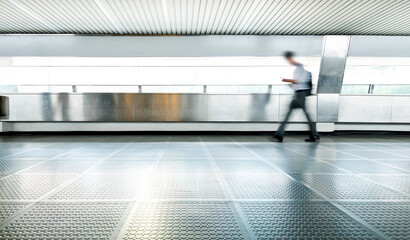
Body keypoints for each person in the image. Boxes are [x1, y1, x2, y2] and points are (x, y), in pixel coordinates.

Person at [269, 51, 320, 142]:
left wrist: (285, 80)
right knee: (291, 114)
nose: (289, 61)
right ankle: (279, 134)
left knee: (298, 115)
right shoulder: (296, 69)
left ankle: (280, 134)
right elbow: (297, 83)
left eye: (289, 59)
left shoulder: (300, 67)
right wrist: (290, 85)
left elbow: (299, 81)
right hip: (298, 93)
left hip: (301, 94)